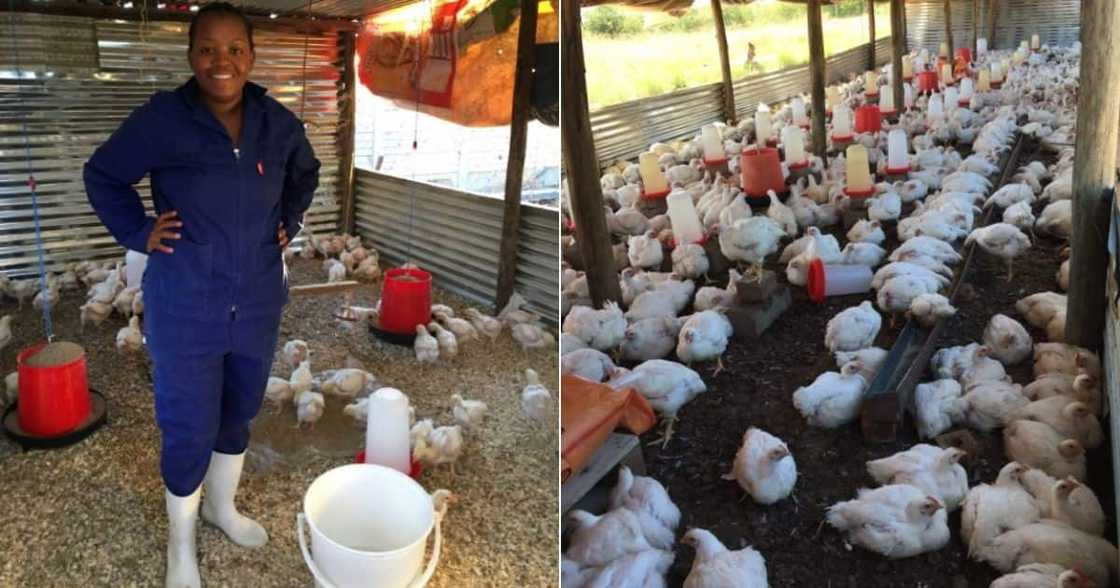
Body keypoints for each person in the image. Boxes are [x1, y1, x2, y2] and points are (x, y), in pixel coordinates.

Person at [83, 4, 320, 587]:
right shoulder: (164, 119)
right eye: (209, 49)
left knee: (238, 412)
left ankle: (221, 508)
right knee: (188, 424)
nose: (223, 62)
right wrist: (140, 231)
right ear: (192, 56)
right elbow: (103, 174)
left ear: (252, 56)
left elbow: (305, 173)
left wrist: (287, 218)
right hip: (186, 301)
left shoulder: (275, 123)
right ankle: (180, 542)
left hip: (258, 300)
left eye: (235, 48)